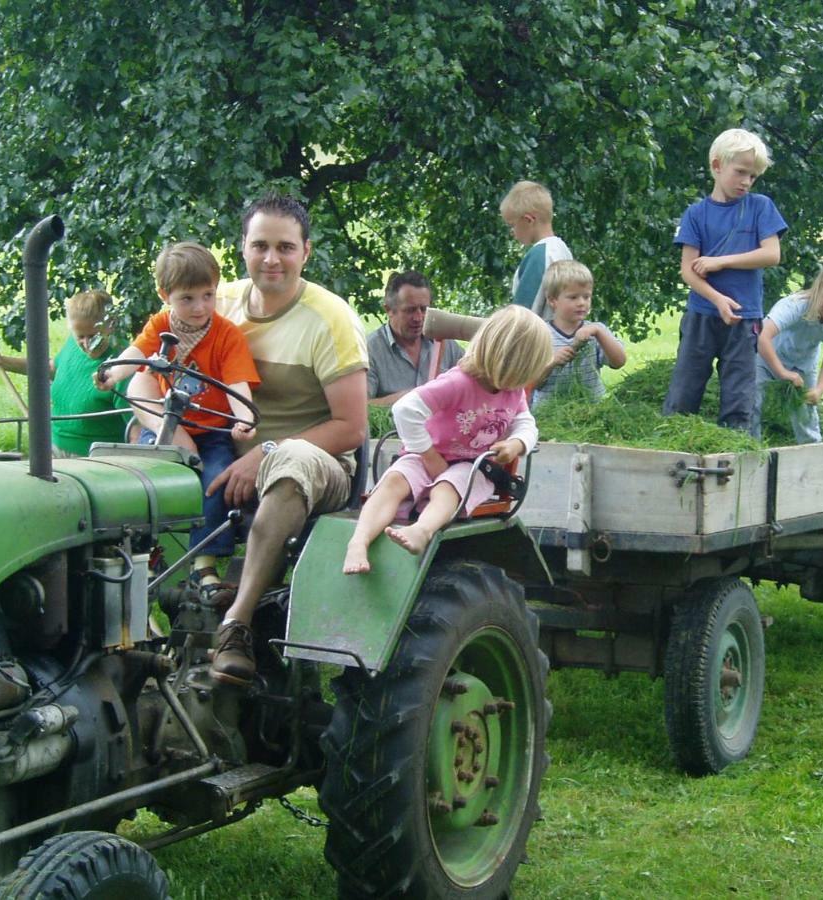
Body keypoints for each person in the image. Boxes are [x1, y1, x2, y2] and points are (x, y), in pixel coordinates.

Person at [205, 195, 368, 686]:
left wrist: (265, 452)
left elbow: (351, 427)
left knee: (291, 458)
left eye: (285, 247)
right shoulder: (216, 302)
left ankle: (237, 621)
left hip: (320, 463)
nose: (271, 259)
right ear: (242, 249)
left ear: (306, 252)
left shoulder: (329, 319)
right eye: (260, 245)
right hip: (221, 452)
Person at [97, 242, 260, 594]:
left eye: (208, 295)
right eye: (188, 298)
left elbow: (237, 383)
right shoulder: (160, 326)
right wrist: (113, 372)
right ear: (165, 294)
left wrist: (244, 418)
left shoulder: (226, 335)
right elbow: (137, 352)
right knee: (138, 479)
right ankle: (138, 554)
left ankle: (204, 563)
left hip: (209, 433)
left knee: (214, 478)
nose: (200, 307)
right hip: (163, 429)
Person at [343, 305, 552, 575]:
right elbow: (405, 410)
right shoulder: (459, 382)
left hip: (472, 465)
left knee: (449, 487)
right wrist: (428, 456)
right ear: (509, 362)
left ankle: (422, 530)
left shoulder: (512, 392)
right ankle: (358, 542)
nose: (527, 380)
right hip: (427, 455)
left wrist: (517, 444)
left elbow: (526, 423)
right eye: (528, 370)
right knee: (394, 482)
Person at [661, 128, 788, 431]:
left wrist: (720, 261)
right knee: (683, 393)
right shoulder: (696, 214)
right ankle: (675, 447)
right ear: (717, 166)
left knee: (739, 397)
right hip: (701, 316)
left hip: (745, 320)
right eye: (741, 172)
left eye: (753, 176)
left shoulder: (760, 207)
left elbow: (771, 255)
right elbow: (687, 270)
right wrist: (717, 299)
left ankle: (734, 455)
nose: (746, 182)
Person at [0, 289, 130, 457]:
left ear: (112, 324)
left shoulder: (123, 364)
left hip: (96, 458)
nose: (87, 344)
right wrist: (3, 361)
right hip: (54, 447)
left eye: (93, 336)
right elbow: (53, 369)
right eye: (80, 336)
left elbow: (135, 428)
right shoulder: (73, 346)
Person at [751, 257, 823, 443]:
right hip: (766, 358)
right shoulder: (796, 305)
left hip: (803, 365)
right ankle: (751, 446)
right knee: (752, 402)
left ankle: (812, 449)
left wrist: (819, 390)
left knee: (806, 411)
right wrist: (782, 372)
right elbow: (762, 336)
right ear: (818, 288)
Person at [531, 259, 627, 408]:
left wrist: (599, 332)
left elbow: (619, 362)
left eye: (586, 296)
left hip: (592, 410)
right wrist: (551, 363)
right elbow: (529, 383)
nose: (582, 303)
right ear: (552, 300)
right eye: (573, 297)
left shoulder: (596, 331)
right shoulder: (540, 334)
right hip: (550, 414)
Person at [366, 270, 464, 406]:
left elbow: (475, 382)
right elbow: (360, 408)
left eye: (424, 309)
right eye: (410, 310)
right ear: (389, 310)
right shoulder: (369, 350)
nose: (418, 318)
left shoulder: (444, 343)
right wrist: (410, 398)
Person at [500, 180, 573, 320]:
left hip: (538, 339)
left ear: (528, 220)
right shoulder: (562, 249)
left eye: (512, 225)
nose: (512, 231)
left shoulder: (540, 255)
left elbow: (523, 315)